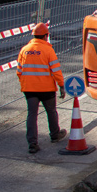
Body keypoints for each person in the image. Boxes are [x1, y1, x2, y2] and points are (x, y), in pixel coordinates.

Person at [16, 22, 66, 154]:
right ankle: (55, 135)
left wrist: (25, 84)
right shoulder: (48, 50)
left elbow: (19, 71)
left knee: (32, 114)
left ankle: (32, 144)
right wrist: (61, 85)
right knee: (51, 111)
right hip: (47, 89)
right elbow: (56, 70)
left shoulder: (24, 50)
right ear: (46, 36)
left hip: (29, 89)